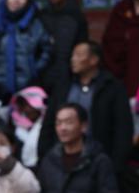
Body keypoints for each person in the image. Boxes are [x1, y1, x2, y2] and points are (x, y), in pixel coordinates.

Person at [39, 42, 133, 174]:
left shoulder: (112, 88)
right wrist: (44, 156)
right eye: (72, 55)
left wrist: (115, 166)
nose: (73, 59)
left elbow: (123, 130)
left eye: (79, 55)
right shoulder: (63, 86)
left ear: (94, 60)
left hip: (98, 161)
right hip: (61, 160)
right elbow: (49, 123)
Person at [0, 0, 53, 100]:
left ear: (27, 0)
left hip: (29, 85)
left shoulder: (36, 25)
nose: (16, 0)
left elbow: (47, 51)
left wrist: (34, 69)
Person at [40, 0, 89, 95]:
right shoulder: (43, 15)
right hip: (46, 70)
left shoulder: (75, 16)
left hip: (69, 71)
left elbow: (82, 43)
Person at [11, 86, 47, 169]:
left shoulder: (47, 128)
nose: (25, 110)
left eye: (28, 104)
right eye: (22, 105)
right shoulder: (18, 130)